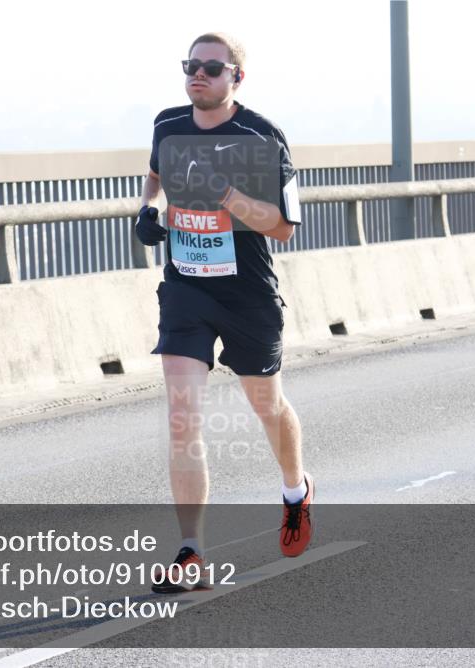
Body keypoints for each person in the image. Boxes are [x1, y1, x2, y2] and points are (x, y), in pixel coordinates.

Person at [134, 32, 313, 594]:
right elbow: (158, 176)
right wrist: (147, 209)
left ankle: (294, 489)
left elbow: (283, 226)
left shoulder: (262, 136)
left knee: (266, 404)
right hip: (187, 288)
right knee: (182, 414)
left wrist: (228, 196)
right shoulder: (167, 124)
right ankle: (192, 552)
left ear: (237, 76)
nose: (199, 75)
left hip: (246, 293)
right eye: (192, 65)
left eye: (213, 67)